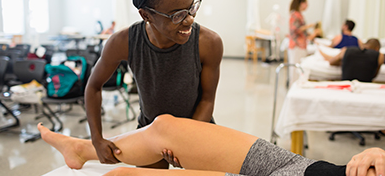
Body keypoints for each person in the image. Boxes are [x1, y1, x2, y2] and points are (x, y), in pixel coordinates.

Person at [84, 0, 223, 169]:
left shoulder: (208, 43)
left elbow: (207, 100)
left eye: (191, 8)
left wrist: (184, 141)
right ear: (146, 15)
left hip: (197, 129)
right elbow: (93, 87)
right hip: (149, 134)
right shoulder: (124, 42)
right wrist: (97, 139)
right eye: (177, 15)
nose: (188, 20)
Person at [37, 114, 385, 176]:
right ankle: (81, 150)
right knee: (164, 126)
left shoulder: (209, 41)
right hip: (305, 168)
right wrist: (376, 153)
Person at [320, 38, 384, 82]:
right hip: (365, 87)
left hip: (346, 86)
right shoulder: (379, 56)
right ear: (377, 48)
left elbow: (331, 62)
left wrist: (345, 62)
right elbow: (374, 75)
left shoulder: (346, 50)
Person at [288, 0, 315, 82]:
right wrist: (308, 26)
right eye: (306, 4)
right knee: (295, 69)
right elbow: (295, 30)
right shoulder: (295, 15)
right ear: (301, 4)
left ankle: (296, 86)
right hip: (296, 45)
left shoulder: (299, 15)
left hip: (301, 45)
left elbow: (303, 32)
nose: (307, 6)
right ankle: (293, 89)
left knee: (298, 68)